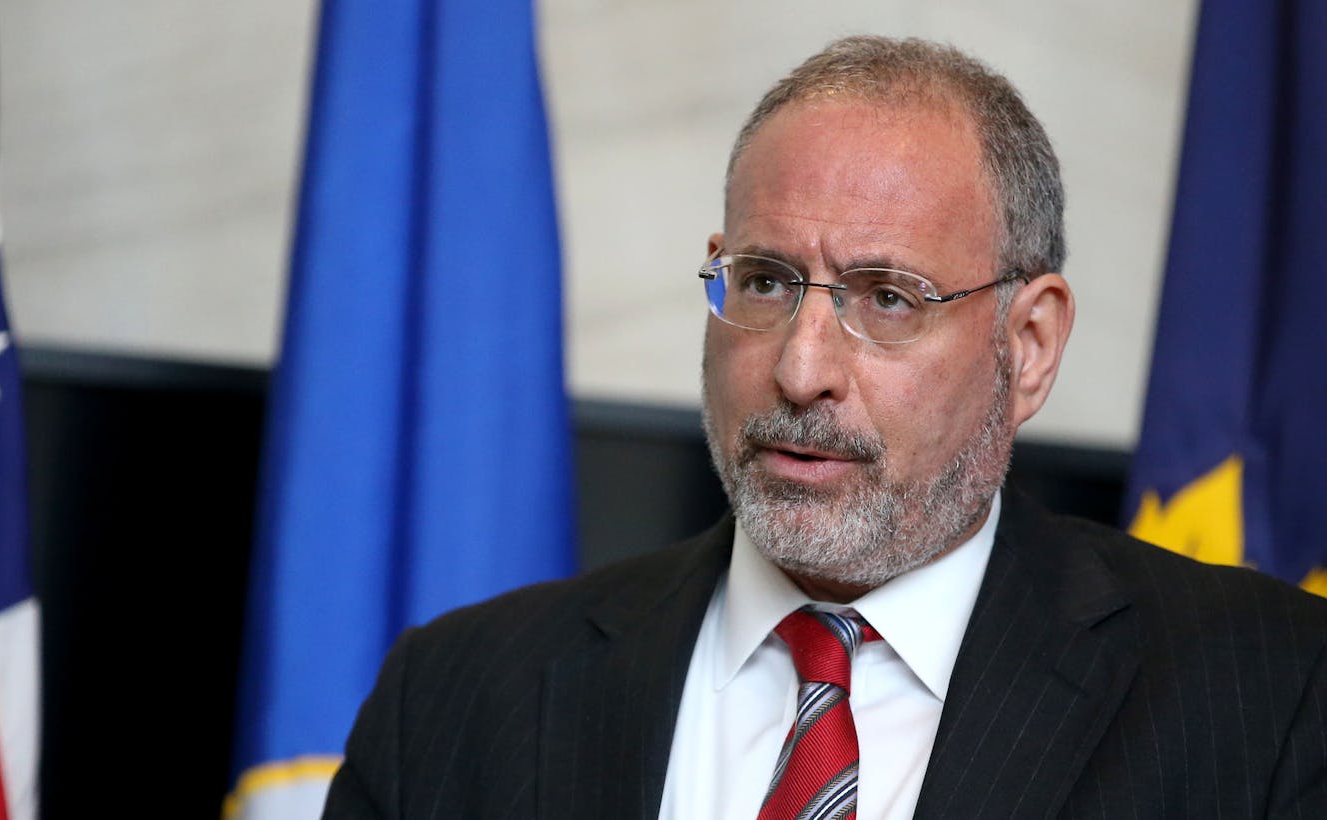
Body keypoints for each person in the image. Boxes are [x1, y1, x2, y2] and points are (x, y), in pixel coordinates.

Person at [322, 36, 1327, 819]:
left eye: (886, 297)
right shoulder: (455, 698)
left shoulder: (1267, 696)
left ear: (1025, 344)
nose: (801, 370)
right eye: (763, 282)